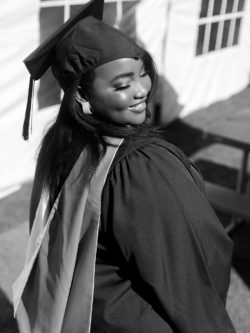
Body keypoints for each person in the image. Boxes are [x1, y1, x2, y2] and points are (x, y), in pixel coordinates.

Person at [13, 0, 236, 332]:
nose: (141, 91)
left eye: (142, 74)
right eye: (121, 85)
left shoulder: (63, 148)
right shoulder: (141, 167)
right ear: (82, 98)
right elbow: (191, 272)